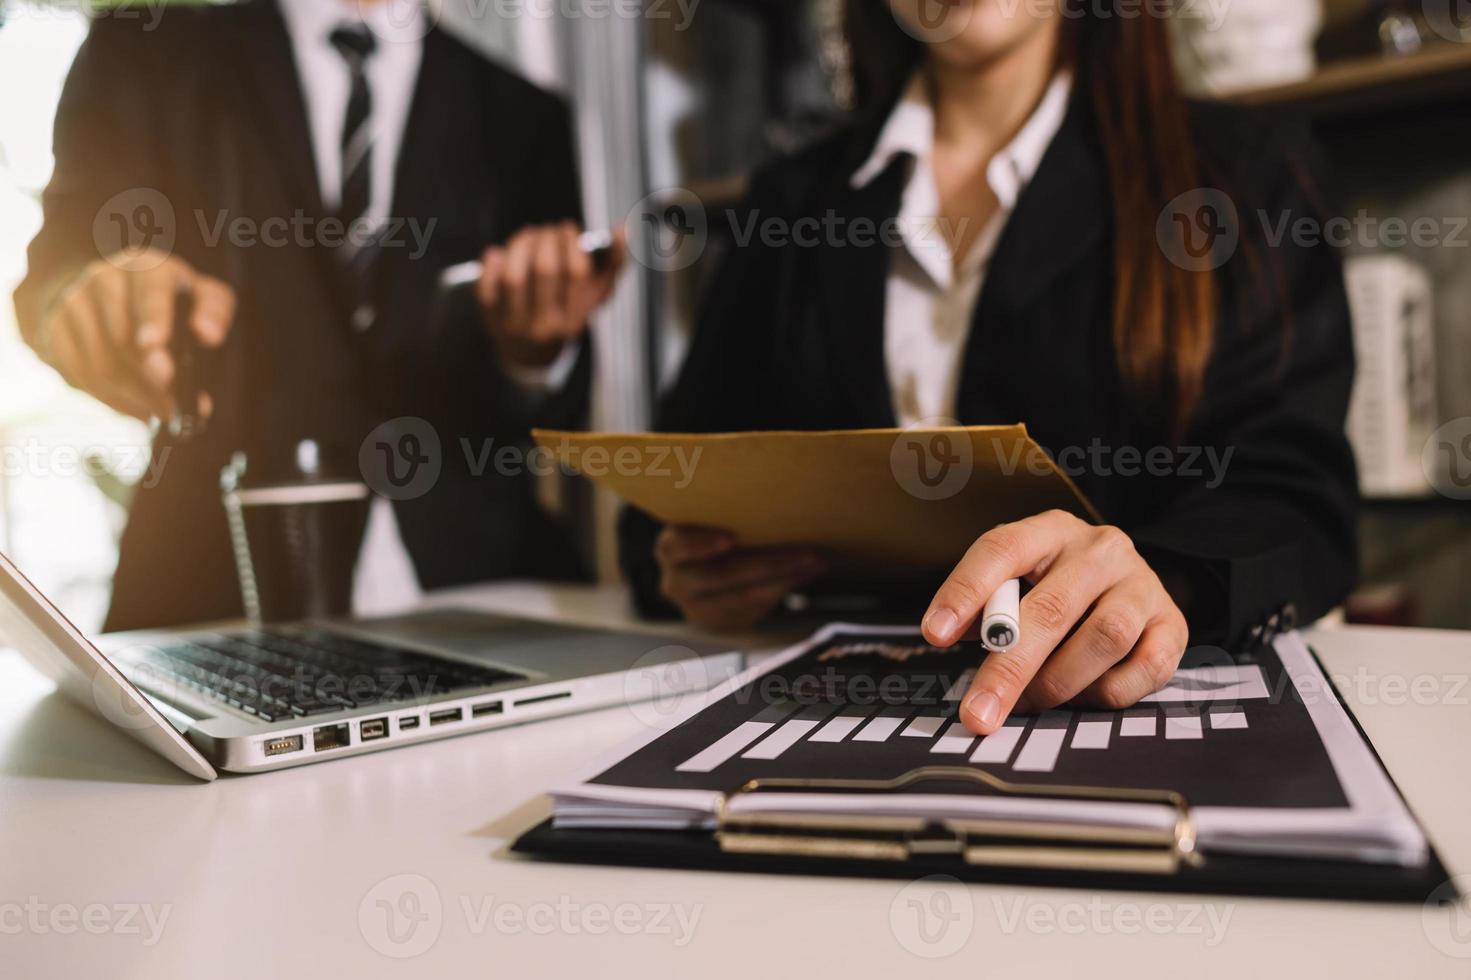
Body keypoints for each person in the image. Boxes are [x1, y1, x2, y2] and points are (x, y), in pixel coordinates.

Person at [620, 1, 1358, 734]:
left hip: (1102, 714)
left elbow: (1298, 498)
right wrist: (687, 570)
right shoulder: (788, 201)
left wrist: (1166, 578)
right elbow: (666, 493)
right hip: (827, 706)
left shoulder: (1235, 174)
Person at [16, 0, 626, 630]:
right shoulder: (145, 51)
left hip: (490, 589)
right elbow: (57, 274)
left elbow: (564, 406)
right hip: (209, 583)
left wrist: (534, 353)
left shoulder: (525, 114)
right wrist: (85, 301)